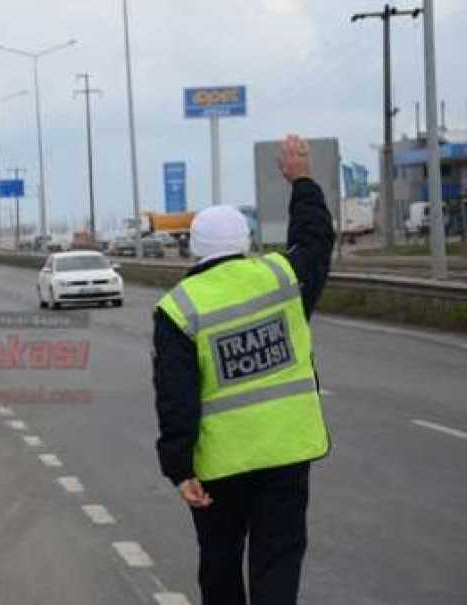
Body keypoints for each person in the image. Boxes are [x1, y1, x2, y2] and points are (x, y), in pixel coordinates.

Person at [152, 135, 335, 605]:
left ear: (194, 249)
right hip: (285, 453)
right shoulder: (281, 278)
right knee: (277, 561)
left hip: (219, 466)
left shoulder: (178, 309)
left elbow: (176, 398)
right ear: (246, 242)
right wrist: (302, 180)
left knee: (220, 558)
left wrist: (180, 468)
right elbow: (315, 239)